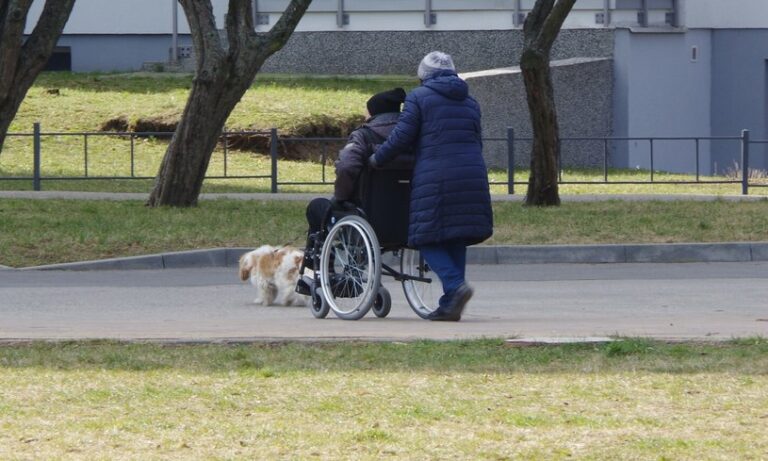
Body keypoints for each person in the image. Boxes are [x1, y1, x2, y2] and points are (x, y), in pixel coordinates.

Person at [368, 51, 493, 321]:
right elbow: (477, 140)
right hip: (472, 173)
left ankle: (455, 286)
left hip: (438, 173)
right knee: (456, 236)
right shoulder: (470, 102)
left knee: (423, 237)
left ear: (423, 75)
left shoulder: (419, 98)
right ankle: (450, 305)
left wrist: (378, 157)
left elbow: (402, 136)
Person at [301, 87, 407, 268]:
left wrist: (340, 197)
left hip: (369, 216)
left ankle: (321, 268)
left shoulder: (364, 136)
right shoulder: (413, 137)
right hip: (409, 217)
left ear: (374, 112)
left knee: (317, 208)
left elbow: (346, 167)